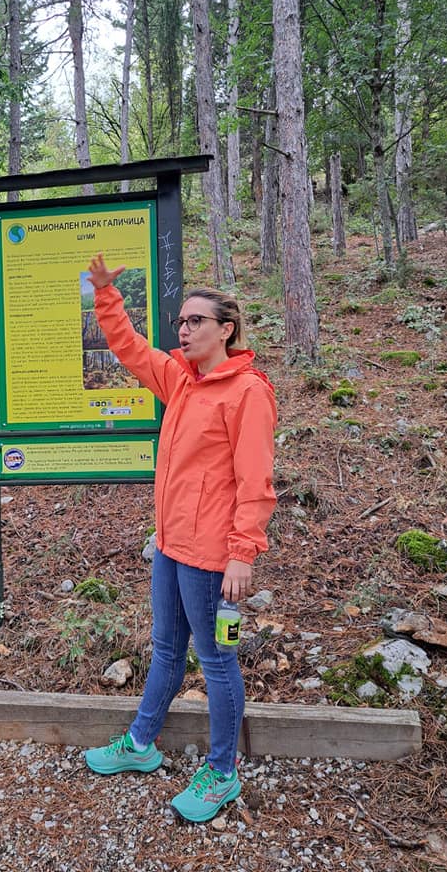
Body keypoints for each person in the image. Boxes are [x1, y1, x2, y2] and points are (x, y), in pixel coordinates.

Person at [83, 253, 277, 823]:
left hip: (212, 556)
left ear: (227, 330)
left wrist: (242, 553)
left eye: (196, 321)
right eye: (181, 321)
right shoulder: (181, 379)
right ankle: (141, 744)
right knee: (166, 649)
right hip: (170, 547)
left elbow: (256, 483)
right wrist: (105, 294)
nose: (184, 330)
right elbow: (129, 348)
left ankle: (222, 772)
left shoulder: (247, 392)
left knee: (216, 661)